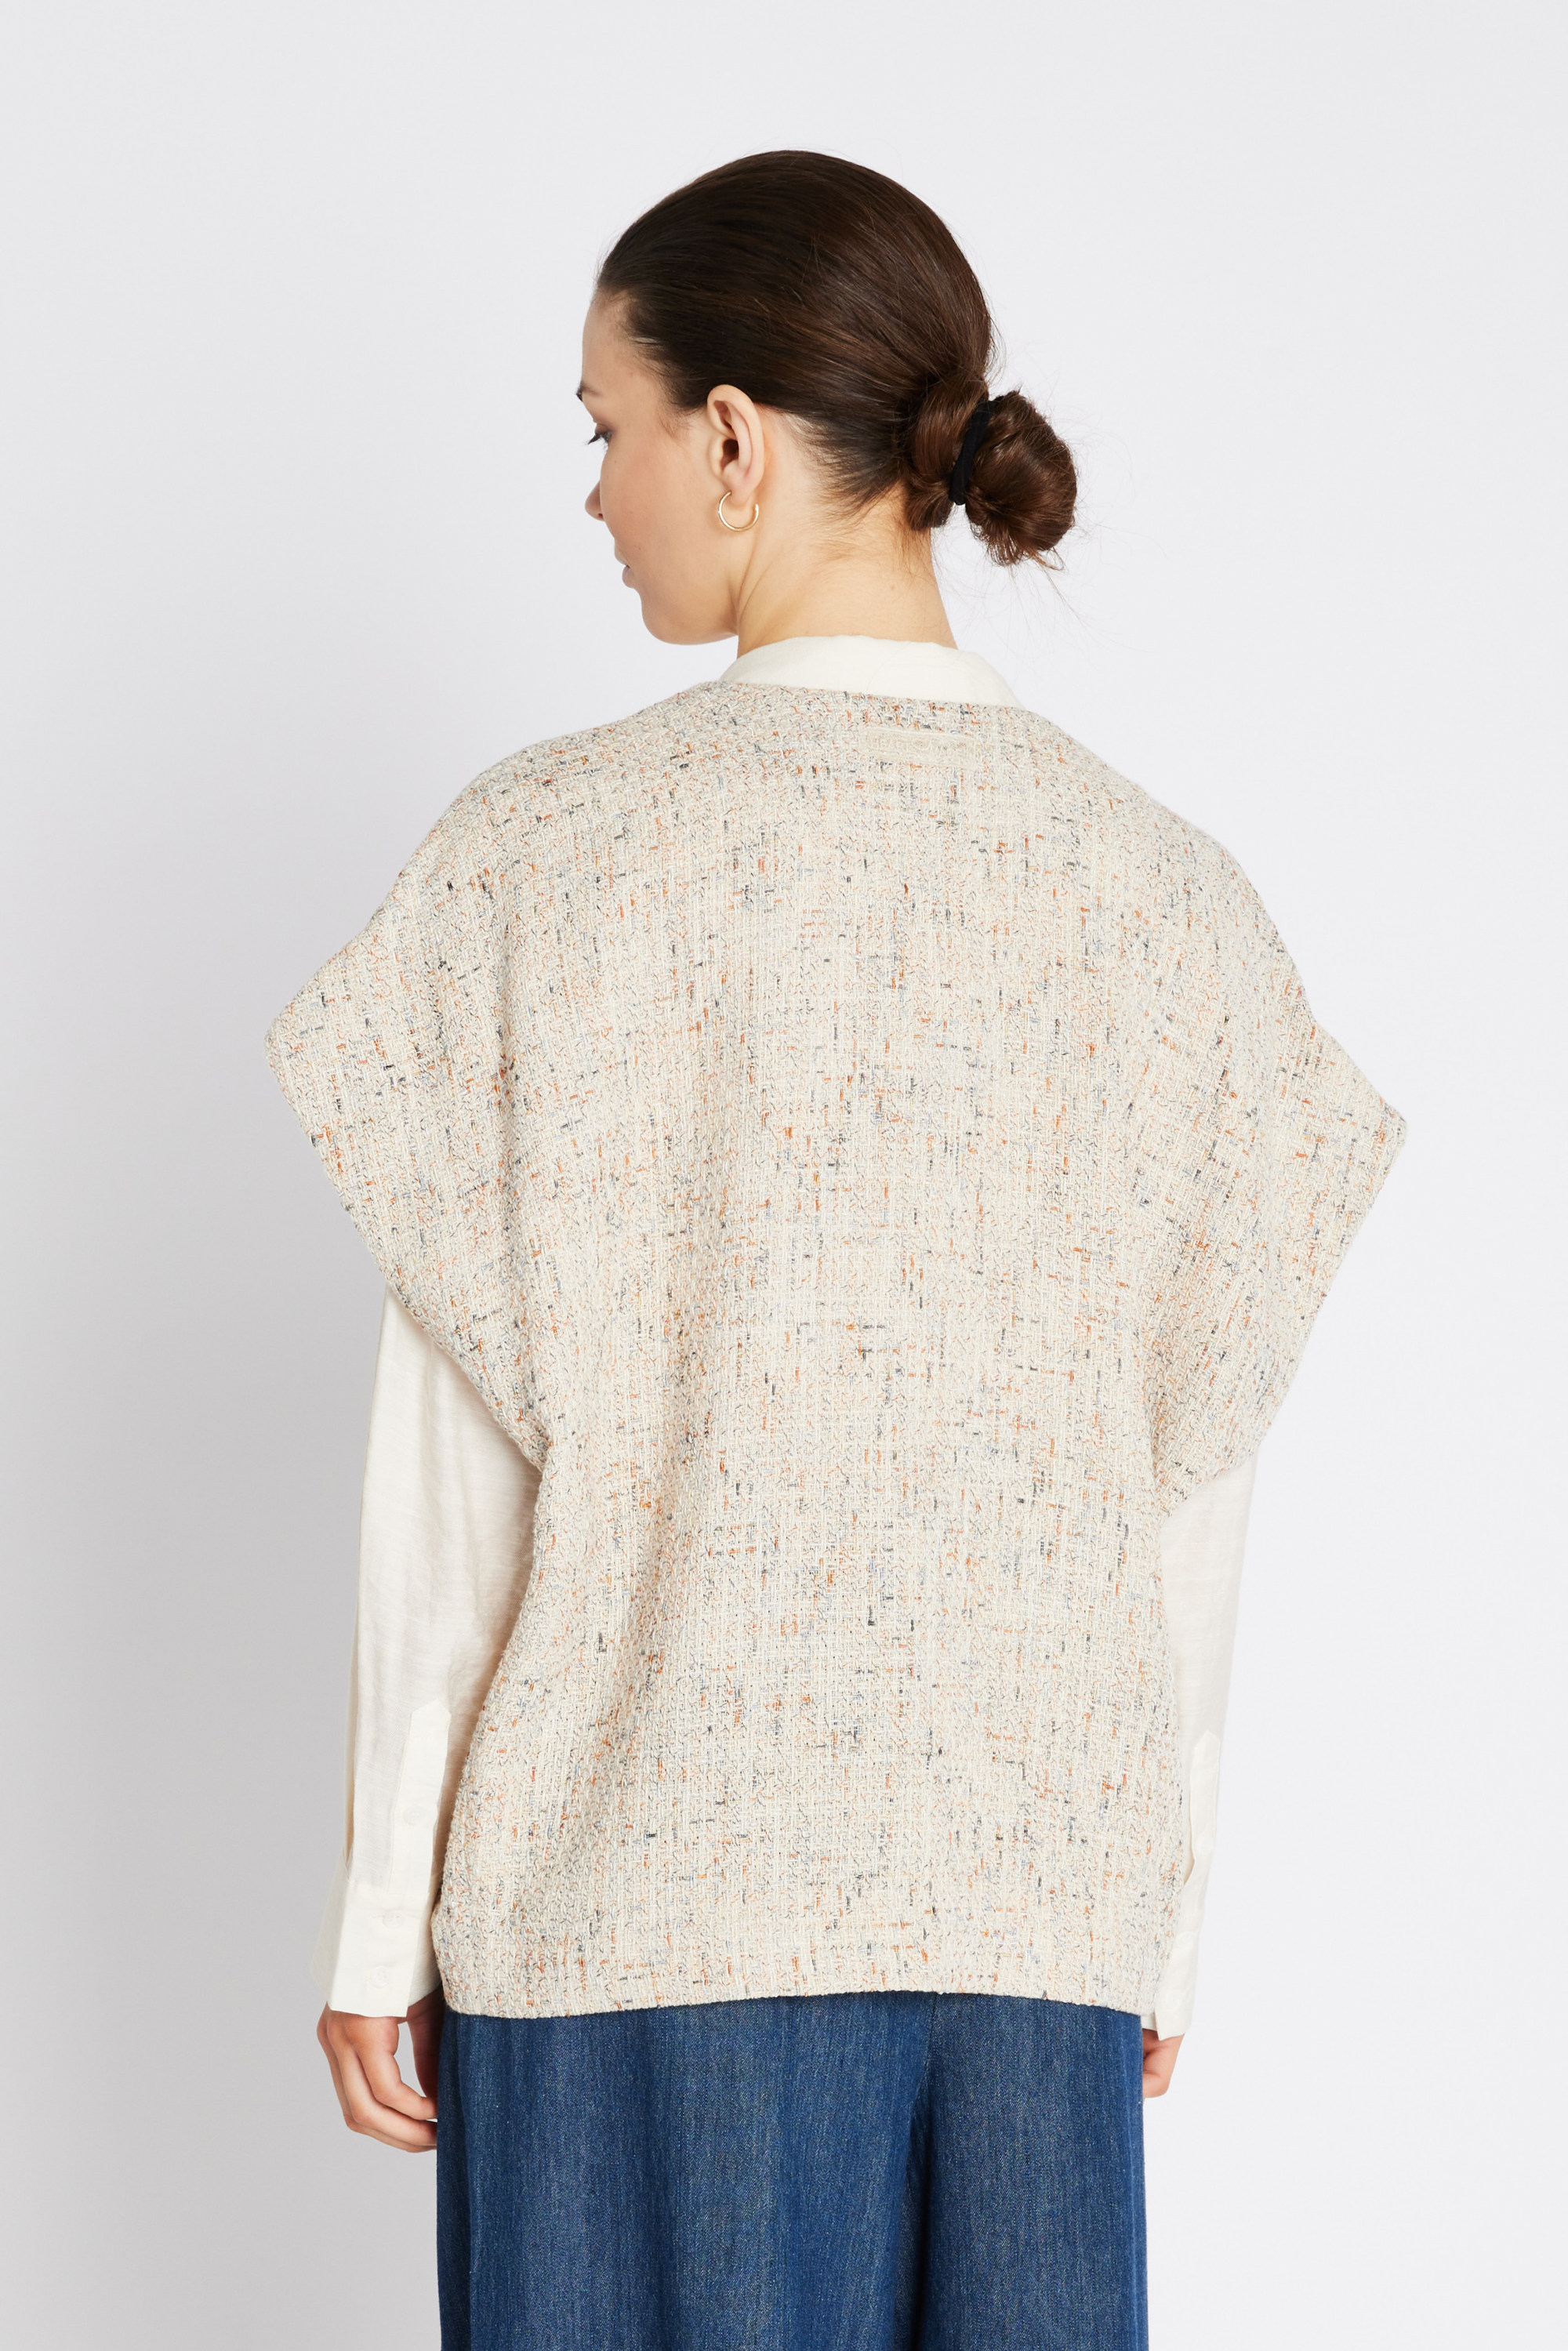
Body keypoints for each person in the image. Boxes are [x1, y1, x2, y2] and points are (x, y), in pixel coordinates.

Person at [268, 151, 1406, 2350]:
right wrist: (1150, 1916)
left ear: (728, 437)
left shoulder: (543, 862)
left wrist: (382, 1908)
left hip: (632, 1929)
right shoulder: (1168, 903)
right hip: (1029, 1946)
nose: (594, 495)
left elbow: (456, 1467)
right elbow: (1190, 1466)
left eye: (605, 428)